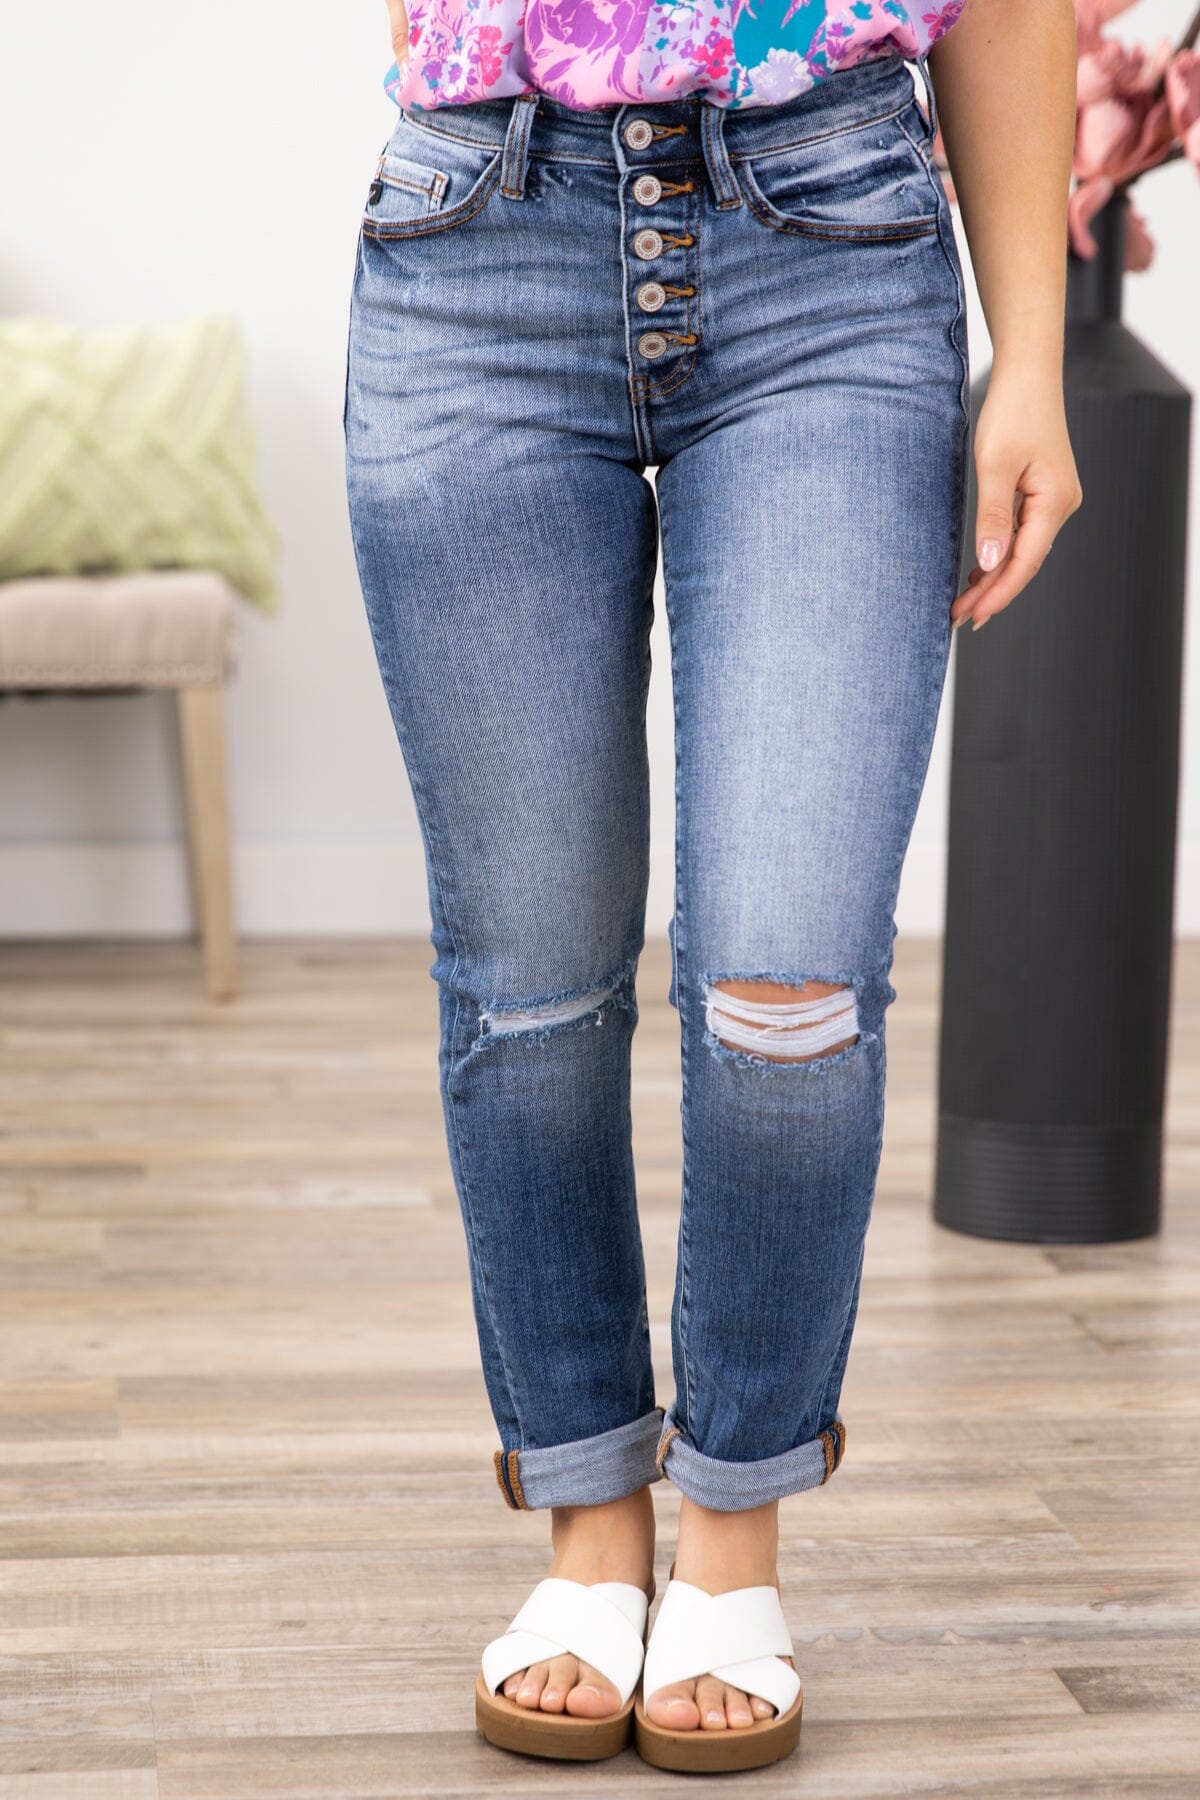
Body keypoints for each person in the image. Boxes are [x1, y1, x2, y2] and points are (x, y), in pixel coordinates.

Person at [344, 0, 1082, 1772]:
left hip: (832, 246)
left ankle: (735, 1528)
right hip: (476, 238)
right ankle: (592, 1525)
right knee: (529, 981)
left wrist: (1033, 356)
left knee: (788, 982)